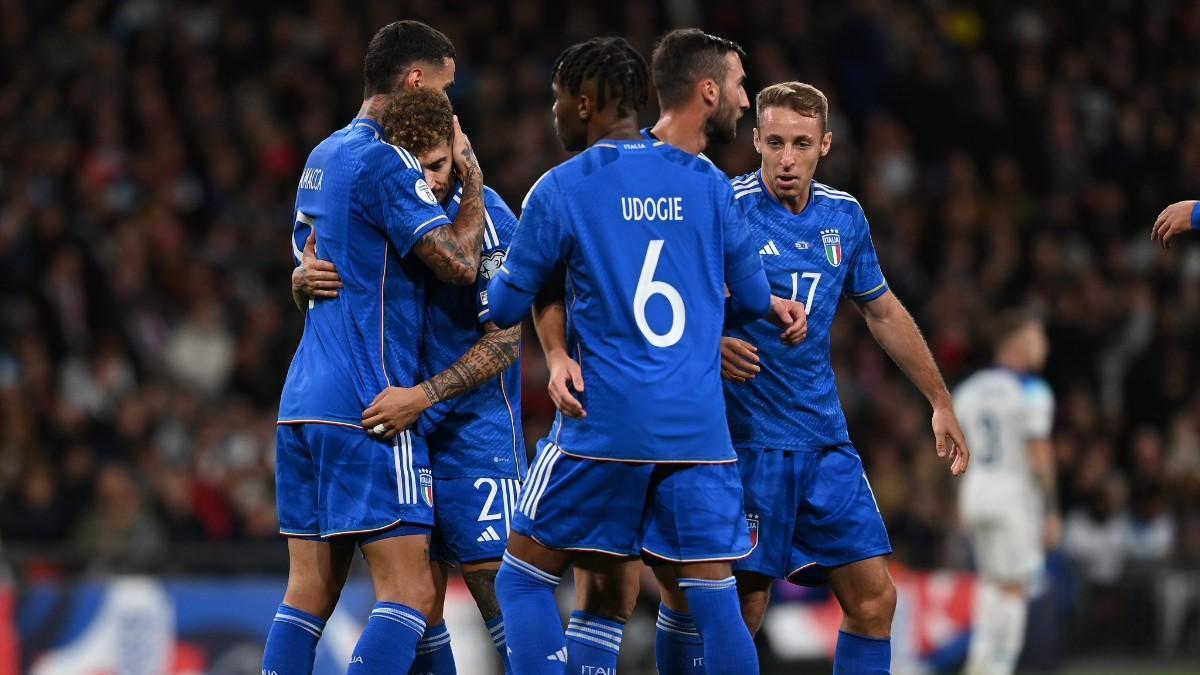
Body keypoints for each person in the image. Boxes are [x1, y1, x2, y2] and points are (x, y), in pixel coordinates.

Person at [486, 36, 807, 675]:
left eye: (556, 102)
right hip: (698, 431)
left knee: (521, 581)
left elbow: (501, 306)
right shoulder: (710, 184)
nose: (552, 115)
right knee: (712, 604)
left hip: (604, 425)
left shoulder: (561, 188)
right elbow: (748, 299)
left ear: (584, 105)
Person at [713, 81, 970, 675]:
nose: (786, 159)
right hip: (745, 443)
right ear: (754, 140)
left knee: (876, 600)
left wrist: (938, 398)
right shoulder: (726, 209)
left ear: (824, 145)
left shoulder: (843, 217)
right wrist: (712, 344)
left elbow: (881, 310)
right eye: (773, 142)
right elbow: (674, 305)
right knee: (743, 610)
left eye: (801, 144)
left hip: (824, 442)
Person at [263, 20, 489, 675]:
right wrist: (470, 176)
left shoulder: (323, 154)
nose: (450, 107)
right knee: (413, 591)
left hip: (302, 401)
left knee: (308, 592)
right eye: (445, 90)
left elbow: (303, 256)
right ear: (415, 81)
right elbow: (457, 263)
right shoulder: (386, 161)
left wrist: (300, 278)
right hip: (370, 403)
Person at [293, 86, 525, 673]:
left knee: (497, 588)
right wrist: (302, 279)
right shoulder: (393, 217)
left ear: (460, 152)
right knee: (421, 603)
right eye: (418, 170)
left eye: (442, 165)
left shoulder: (489, 216)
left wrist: (421, 397)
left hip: (476, 434)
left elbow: (505, 339)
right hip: (407, 428)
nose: (433, 182)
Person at [955, 311, 1056, 675]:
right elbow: (1039, 455)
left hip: (975, 494)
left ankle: (980, 664)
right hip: (1013, 498)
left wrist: (959, 500)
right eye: (1037, 336)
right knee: (1014, 586)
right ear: (1016, 341)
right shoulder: (1031, 390)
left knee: (991, 584)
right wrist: (1052, 511)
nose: (1044, 345)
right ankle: (999, 668)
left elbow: (954, 450)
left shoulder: (969, 389)